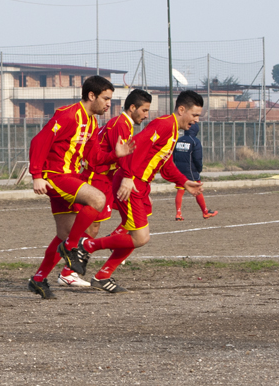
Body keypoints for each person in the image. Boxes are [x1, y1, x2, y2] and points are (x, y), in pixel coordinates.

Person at [80, 90, 206, 293]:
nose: (196, 120)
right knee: (140, 237)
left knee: (134, 233)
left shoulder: (173, 130)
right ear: (182, 110)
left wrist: (184, 181)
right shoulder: (164, 125)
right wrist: (128, 177)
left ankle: (103, 275)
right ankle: (86, 246)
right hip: (132, 183)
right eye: (195, 115)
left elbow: (165, 165)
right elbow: (134, 146)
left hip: (140, 185)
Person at [53, 88, 151, 289]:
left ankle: (73, 266)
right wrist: (128, 177)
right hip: (97, 176)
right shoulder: (121, 123)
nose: (146, 115)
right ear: (132, 108)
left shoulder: (124, 124)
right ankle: (69, 271)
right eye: (144, 110)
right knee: (89, 226)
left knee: (95, 226)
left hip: (105, 177)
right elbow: (119, 155)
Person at [26, 76, 114, 299]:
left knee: (62, 234)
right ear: (91, 96)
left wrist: (117, 155)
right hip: (56, 175)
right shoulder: (68, 115)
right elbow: (39, 141)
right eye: (106, 98)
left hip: (69, 177)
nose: (109, 103)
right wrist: (37, 175)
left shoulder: (92, 122)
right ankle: (72, 247)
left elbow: (93, 158)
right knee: (97, 199)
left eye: (110, 99)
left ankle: (38, 279)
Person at [173, 121, 217, 221]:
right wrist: (199, 169)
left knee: (180, 190)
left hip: (179, 169)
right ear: (196, 129)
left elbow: (174, 155)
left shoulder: (178, 140)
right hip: (191, 170)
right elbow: (198, 158)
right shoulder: (194, 141)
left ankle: (178, 213)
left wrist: (176, 166)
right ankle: (205, 212)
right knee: (197, 189)